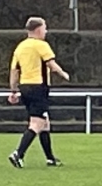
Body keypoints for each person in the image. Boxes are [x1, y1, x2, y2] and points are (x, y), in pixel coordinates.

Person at [8, 16, 71, 168]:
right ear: (38, 29)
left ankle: (50, 158)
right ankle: (18, 154)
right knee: (37, 123)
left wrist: (13, 90)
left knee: (44, 122)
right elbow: (51, 64)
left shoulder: (20, 47)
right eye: (44, 28)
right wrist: (63, 73)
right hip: (38, 87)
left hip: (25, 87)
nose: (46, 31)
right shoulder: (41, 45)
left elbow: (14, 71)